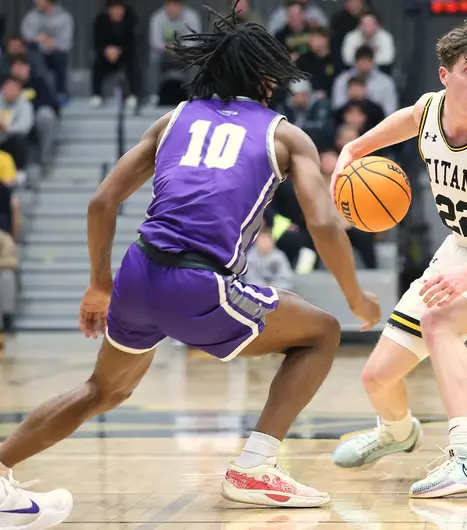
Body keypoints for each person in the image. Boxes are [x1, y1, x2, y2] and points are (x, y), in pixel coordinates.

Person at [0, 7, 382, 528]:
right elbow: (324, 223)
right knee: (323, 333)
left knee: (102, 390)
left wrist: (98, 286)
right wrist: (357, 297)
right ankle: (255, 467)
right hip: (200, 281)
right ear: (266, 77)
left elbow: (101, 203)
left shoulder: (173, 118)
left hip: (139, 270)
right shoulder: (286, 136)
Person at [328, 20, 467, 498]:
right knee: (377, 375)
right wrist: (352, 149)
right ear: (445, 75)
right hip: (460, 248)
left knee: (440, 324)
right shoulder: (429, 110)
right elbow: (401, 123)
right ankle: (397, 432)